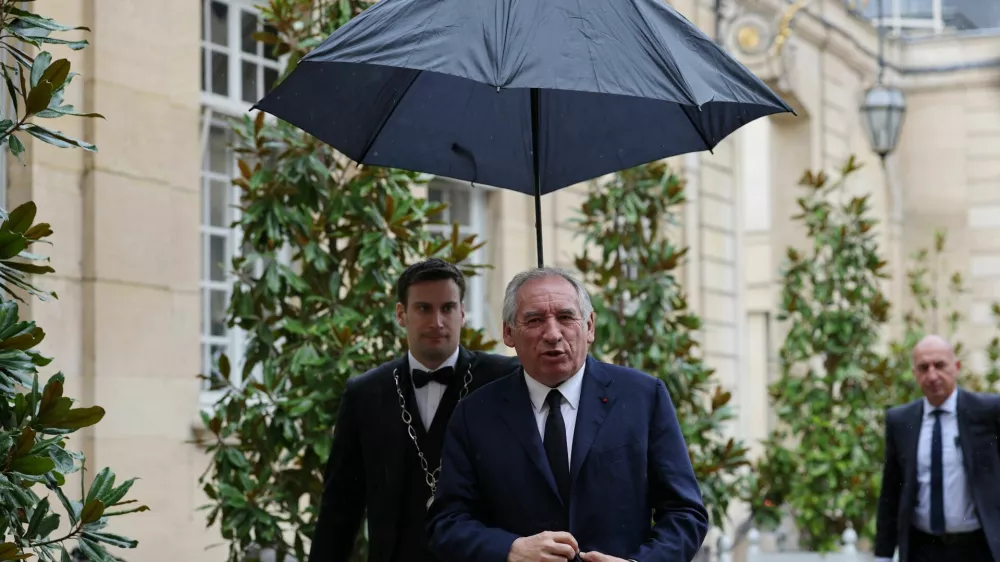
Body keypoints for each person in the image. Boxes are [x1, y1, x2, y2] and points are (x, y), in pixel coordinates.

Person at [426, 267, 708, 562]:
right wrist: (510, 550)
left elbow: (685, 513)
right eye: (534, 320)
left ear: (589, 326)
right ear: (508, 333)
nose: (552, 334)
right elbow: (447, 523)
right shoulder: (475, 414)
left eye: (565, 317)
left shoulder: (643, 398)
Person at [309, 258, 520, 562]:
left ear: (462, 313)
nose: (437, 322)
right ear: (401, 314)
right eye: (423, 308)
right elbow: (339, 507)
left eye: (447, 308)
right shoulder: (365, 394)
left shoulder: (506, 380)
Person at [874, 334, 1000, 562]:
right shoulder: (901, 421)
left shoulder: (988, 412)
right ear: (914, 374)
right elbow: (891, 492)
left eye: (940, 365)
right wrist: (883, 555)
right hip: (922, 549)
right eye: (923, 368)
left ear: (956, 367)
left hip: (977, 548)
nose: (932, 376)